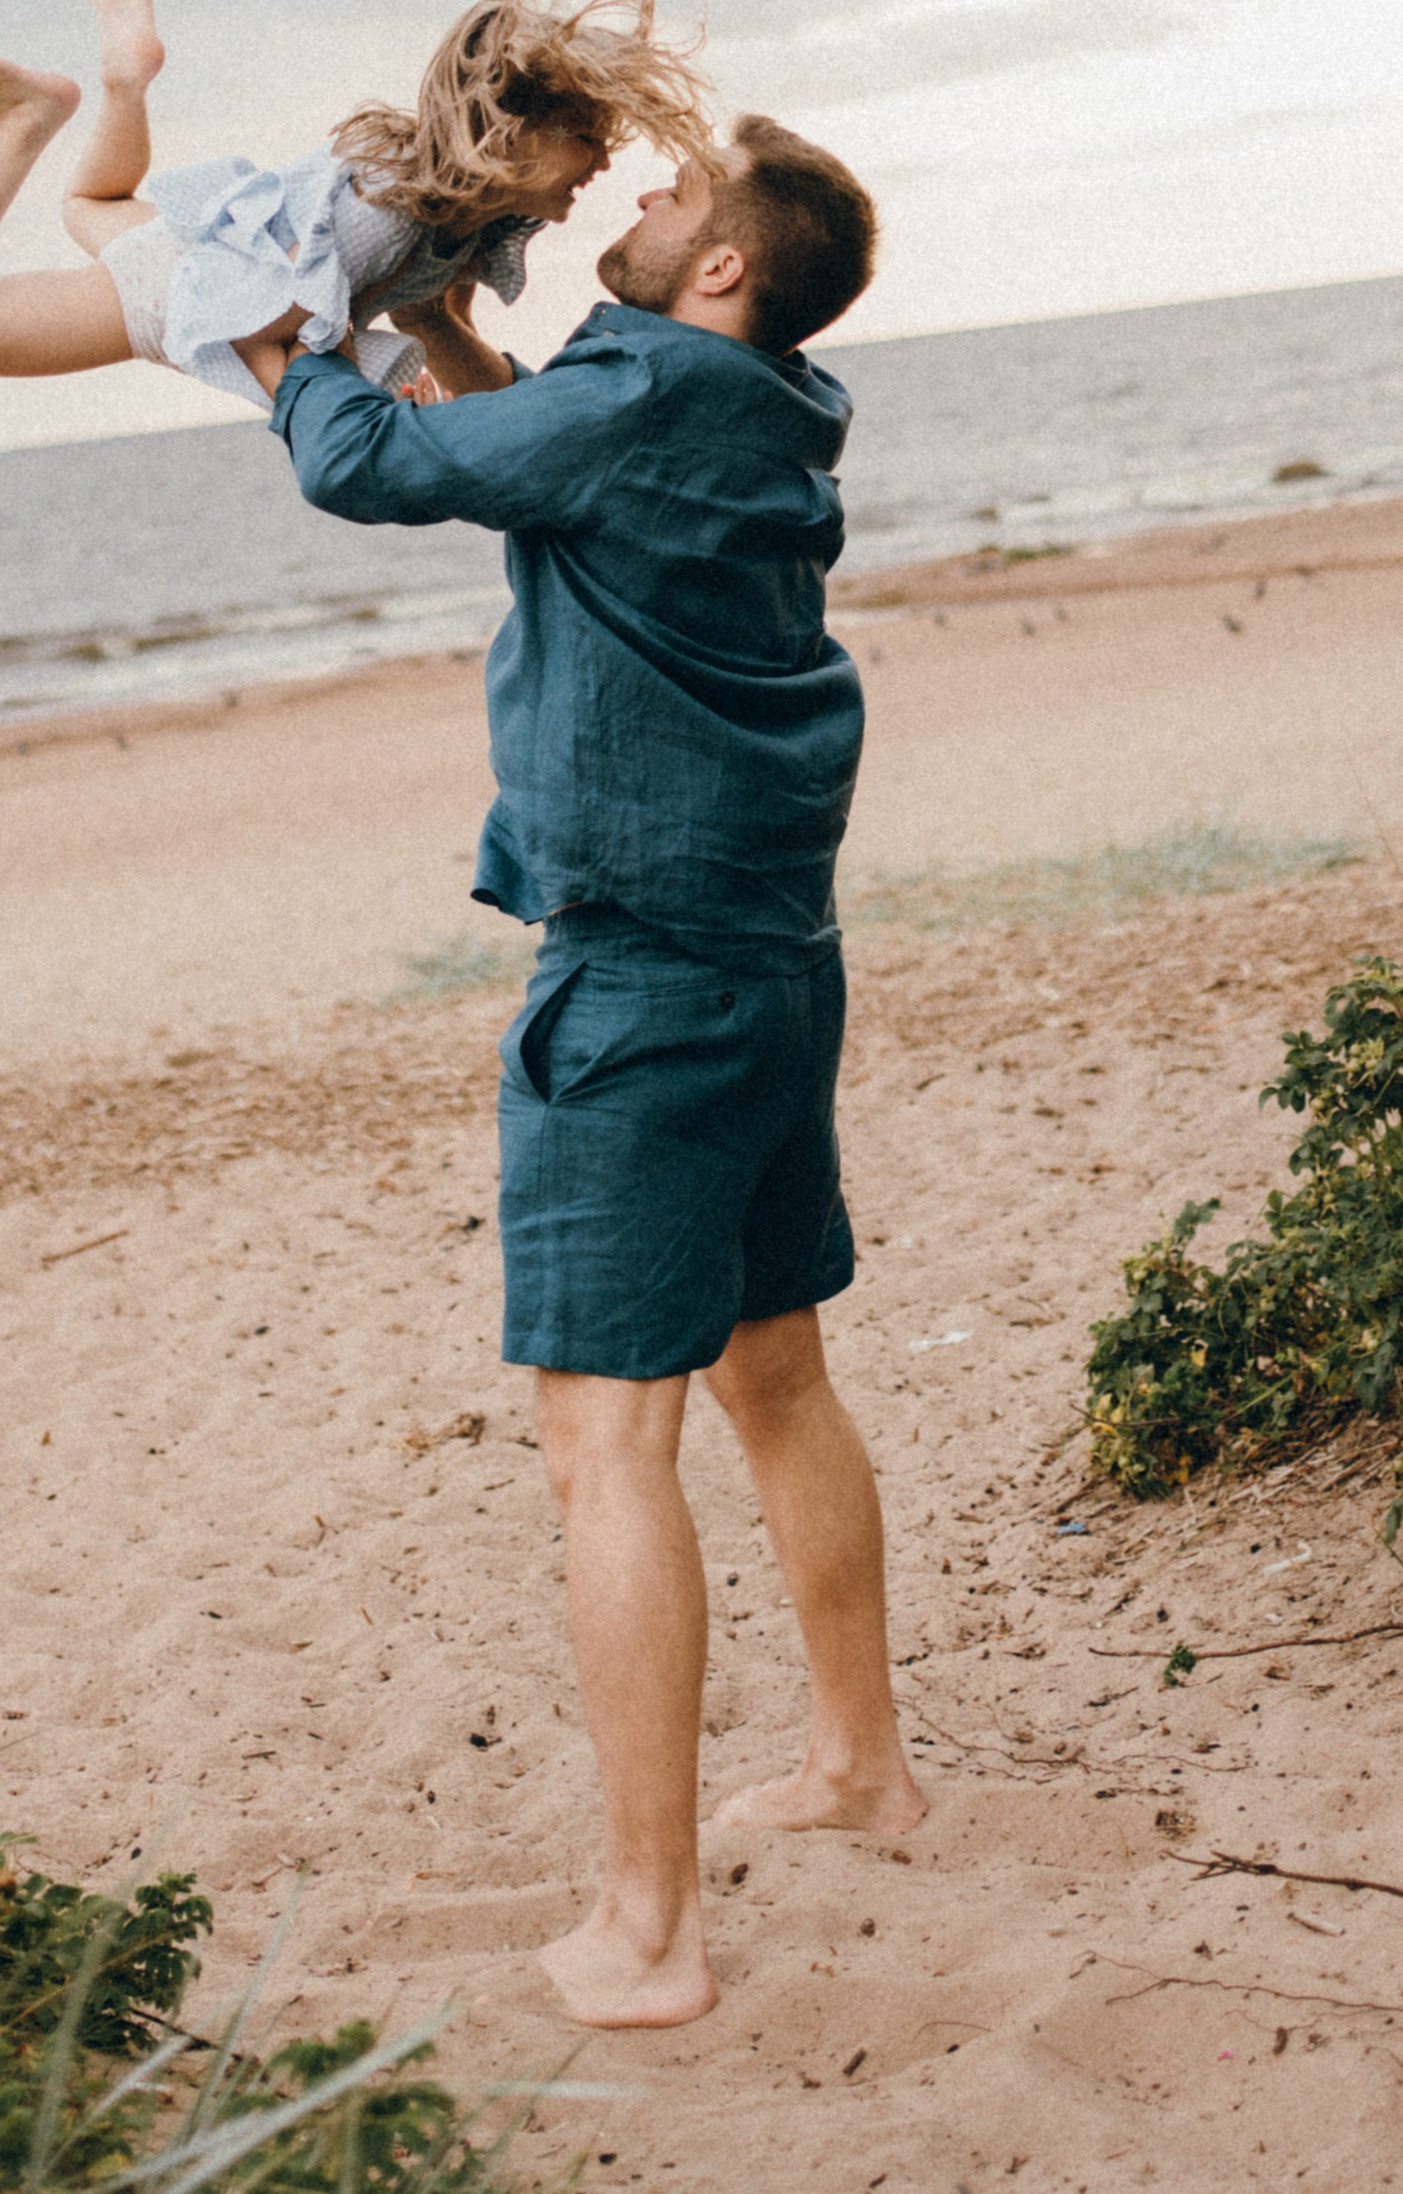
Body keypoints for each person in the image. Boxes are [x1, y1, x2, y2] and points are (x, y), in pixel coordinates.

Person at [235, 121, 922, 2030]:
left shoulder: (638, 395)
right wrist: (446, 317)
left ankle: (651, 1928)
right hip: (773, 960)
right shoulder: (767, 407)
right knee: (776, 1369)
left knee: (600, 1442)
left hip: (640, 978)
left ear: (717, 273)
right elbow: (552, 457)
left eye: (670, 201)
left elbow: (372, 469)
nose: (633, 206)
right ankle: (863, 1766)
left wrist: (275, 333)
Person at [0, 0, 710, 398]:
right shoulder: (390, 222)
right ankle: (24, 121)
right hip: (178, 291)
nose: (605, 163)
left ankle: (122, 80)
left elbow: (455, 354)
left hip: (201, 249)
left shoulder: (459, 220)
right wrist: (348, 412)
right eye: (587, 138)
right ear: (510, 131)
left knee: (93, 204)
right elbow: (265, 334)